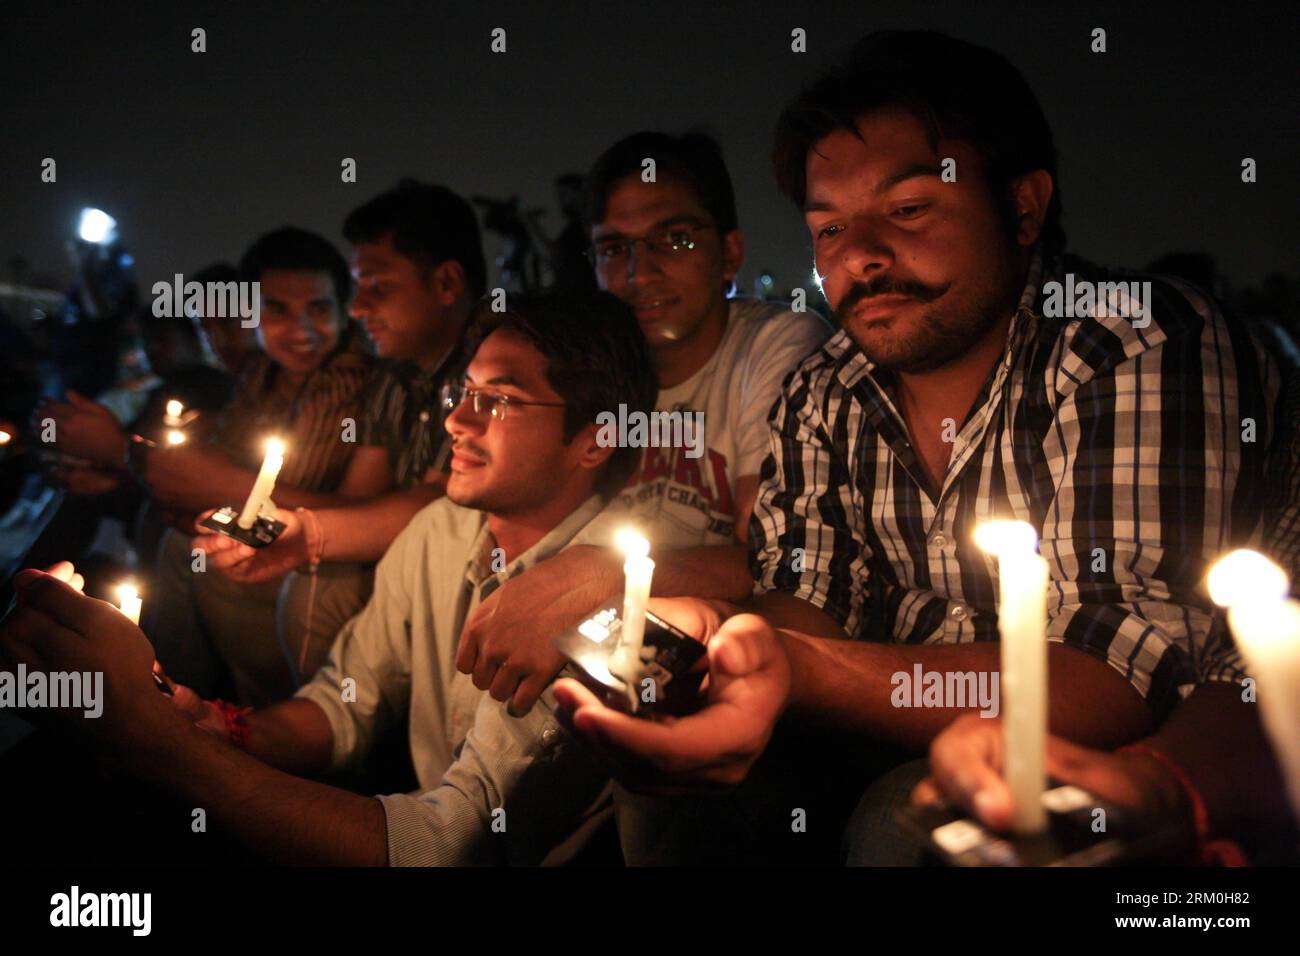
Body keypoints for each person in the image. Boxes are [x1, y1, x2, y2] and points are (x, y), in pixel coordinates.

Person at [551, 30, 1284, 863]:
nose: (860, 257)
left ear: (1023, 206)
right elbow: (807, 591)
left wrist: (798, 666)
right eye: (828, 229)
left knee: (910, 823)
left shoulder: (1130, 341)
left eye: (908, 211)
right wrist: (720, 640)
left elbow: (1106, 675)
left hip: (1094, 758)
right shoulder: (825, 389)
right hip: (864, 724)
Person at [0, 292, 656, 865]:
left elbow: (456, 842)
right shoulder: (441, 530)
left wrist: (163, 745)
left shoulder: (601, 599)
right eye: (464, 393)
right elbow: (343, 704)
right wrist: (220, 727)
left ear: (594, 440)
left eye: (502, 401)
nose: (457, 420)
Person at [192, 182, 488, 686]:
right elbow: (359, 495)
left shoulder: (490, 362)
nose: (357, 309)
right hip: (390, 552)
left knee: (317, 591)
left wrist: (305, 535)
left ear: (446, 283)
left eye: (378, 287)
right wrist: (288, 529)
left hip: (468, 571)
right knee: (205, 555)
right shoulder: (394, 376)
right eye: (358, 289)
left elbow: (438, 502)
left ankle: (297, 736)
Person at [144, 227, 388, 705]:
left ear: (344, 310)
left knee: (188, 550)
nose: (301, 331)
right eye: (278, 310)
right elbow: (225, 454)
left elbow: (305, 494)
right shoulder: (263, 373)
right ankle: (178, 702)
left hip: (327, 564)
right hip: (265, 542)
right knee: (178, 542)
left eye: (318, 309)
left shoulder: (354, 376)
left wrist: (204, 481)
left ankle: (210, 716)